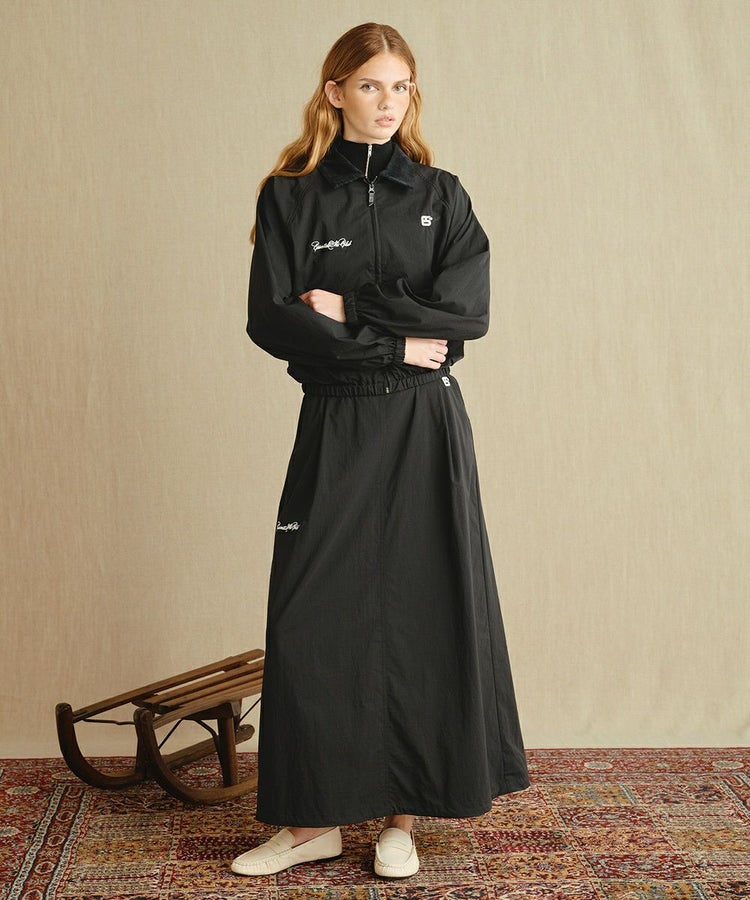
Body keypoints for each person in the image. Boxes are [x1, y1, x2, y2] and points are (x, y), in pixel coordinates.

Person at [231, 22, 531, 880]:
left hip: (423, 425)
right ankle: (311, 824)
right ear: (335, 92)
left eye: (401, 87)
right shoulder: (288, 198)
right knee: (311, 617)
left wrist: (351, 310)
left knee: (422, 607)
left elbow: (466, 315)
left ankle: (401, 819)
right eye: (370, 86)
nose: (387, 103)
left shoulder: (441, 194)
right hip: (336, 420)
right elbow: (274, 321)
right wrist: (394, 340)